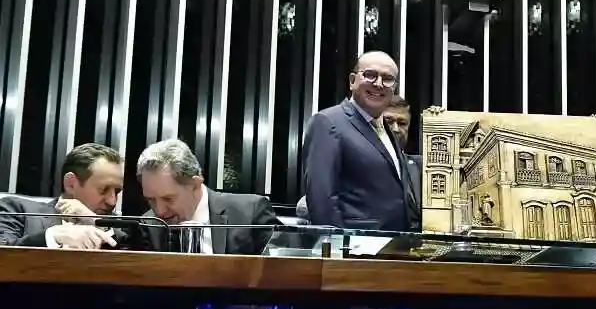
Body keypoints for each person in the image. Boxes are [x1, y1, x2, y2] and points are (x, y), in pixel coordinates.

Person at [302, 52, 421, 232]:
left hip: (394, 247)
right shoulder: (328, 122)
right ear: (352, 81)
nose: (379, 84)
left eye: (388, 79)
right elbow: (322, 200)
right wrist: (338, 251)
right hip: (355, 249)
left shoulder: (386, 129)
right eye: (370, 75)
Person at [136, 139, 278, 255]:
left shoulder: (251, 212)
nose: (159, 212)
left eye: (168, 199)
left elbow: (282, 274)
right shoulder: (149, 225)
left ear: (195, 184)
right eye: (151, 200)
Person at [296, 96, 419, 222]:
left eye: (402, 123)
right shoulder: (332, 125)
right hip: (360, 237)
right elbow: (321, 200)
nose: (395, 129)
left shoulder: (419, 166)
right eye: (389, 121)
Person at [0, 142, 124, 249]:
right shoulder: (17, 210)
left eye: (117, 192)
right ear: (71, 184)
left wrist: (97, 222)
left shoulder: (118, 229)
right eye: (103, 190)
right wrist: (53, 236)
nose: (112, 201)